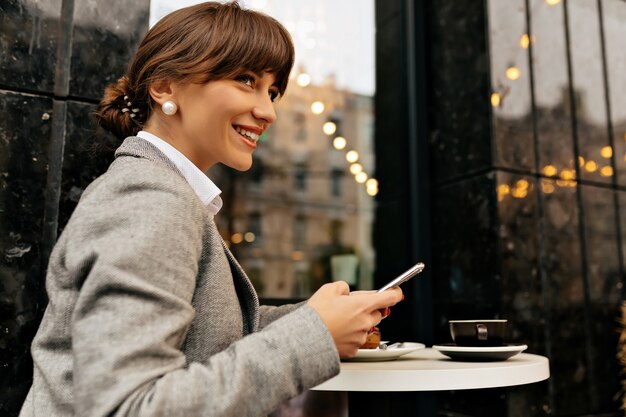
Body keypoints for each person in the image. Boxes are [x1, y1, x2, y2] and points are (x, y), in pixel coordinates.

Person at [19, 2, 403, 416]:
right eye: (245, 80)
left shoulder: (167, 192)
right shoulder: (150, 199)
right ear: (164, 87)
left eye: (272, 91)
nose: (268, 111)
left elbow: (201, 338)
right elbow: (128, 406)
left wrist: (314, 317)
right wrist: (314, 335)